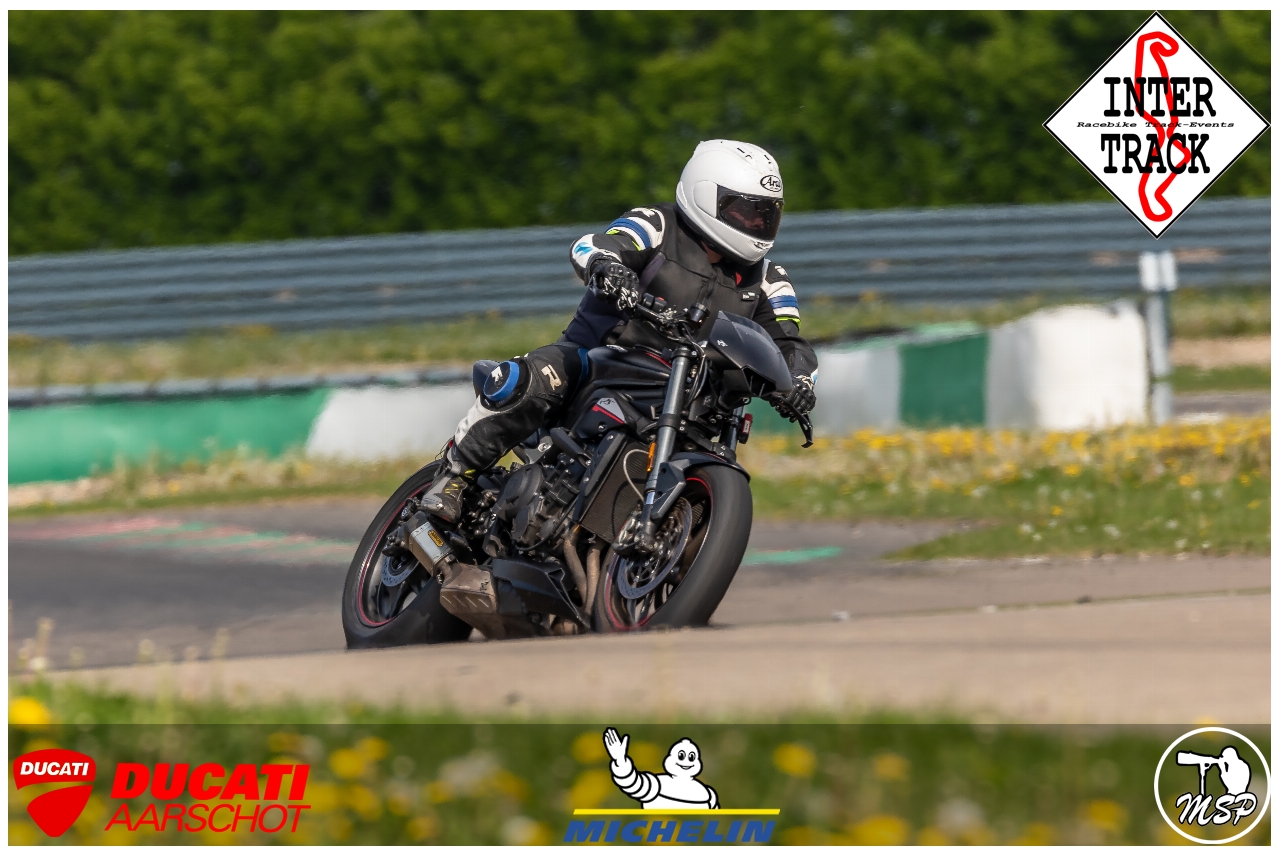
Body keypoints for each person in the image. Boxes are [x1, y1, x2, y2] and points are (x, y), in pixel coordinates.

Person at [422, 139, 819, 522]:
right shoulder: (657, 225)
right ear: (704, 195)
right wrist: (608, 267)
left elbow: (790, 344)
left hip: (691, 397)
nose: (757, 223)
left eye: (766, 214)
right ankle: (454, 476)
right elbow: (593, 245)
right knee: (534, 378)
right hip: (600, 359)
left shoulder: (770, 280)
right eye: (745, 211)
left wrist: (799, 380)